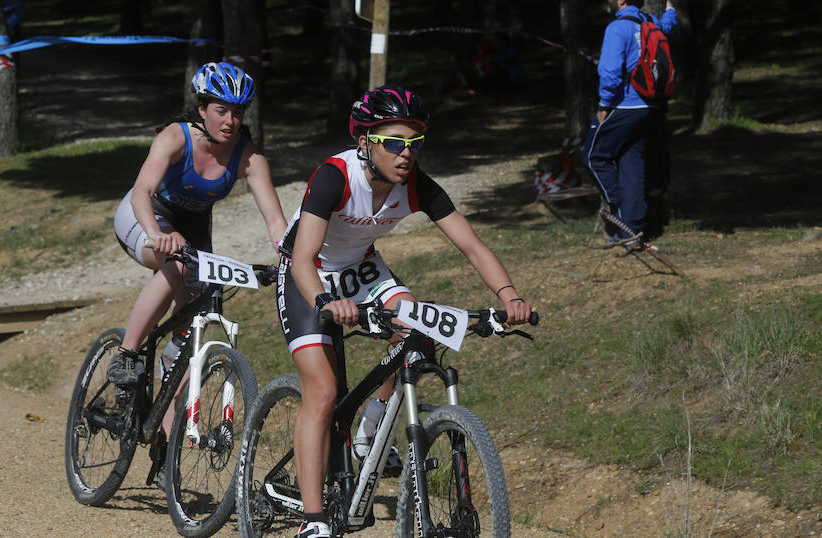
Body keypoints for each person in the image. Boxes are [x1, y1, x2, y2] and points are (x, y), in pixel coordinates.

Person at [275, 85, 532, 537]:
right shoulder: (334, 176)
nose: (405, 154)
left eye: (414, 143)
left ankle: (373, 426)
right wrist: (325, 302)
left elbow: (472, 245)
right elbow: (301, 256)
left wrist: (508, 297)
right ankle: (313, 521)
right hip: (308, 271)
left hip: (362, 269)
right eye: (394, 142)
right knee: (323, 390)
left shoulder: (415, 184)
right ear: (365, 142)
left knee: (417, 326)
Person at [109, 62, 287, 444]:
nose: (230, 121)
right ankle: (126, 352)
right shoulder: (176, 137)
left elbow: (276, 223)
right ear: (202, 109)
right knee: (174, 267)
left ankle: (168, 422)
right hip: (147, 215)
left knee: (201, 318)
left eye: (237, 112)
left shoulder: (248, 158)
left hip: (192, 229)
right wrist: (156, 235)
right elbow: (142, 191)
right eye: (222, 110)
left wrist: (288, 258)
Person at [582, 0, 677, 246]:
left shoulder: (617, 27)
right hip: (650, 108)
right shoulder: (648, 22)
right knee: (630, 164)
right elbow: (666, 28)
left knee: (593, 157)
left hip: (625, 106)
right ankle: (631, 235)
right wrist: (671, 11)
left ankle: (619, 212)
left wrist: (604, 104)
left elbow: (610, 70)